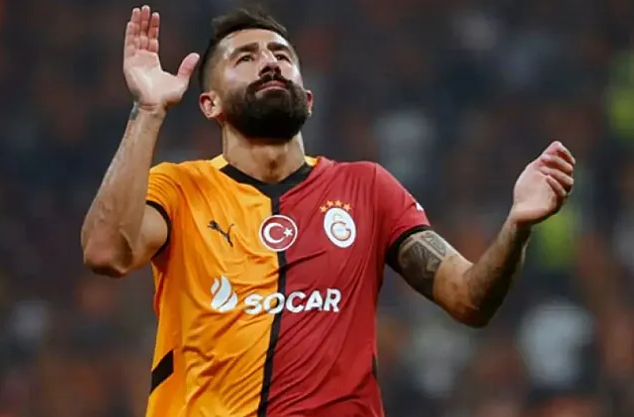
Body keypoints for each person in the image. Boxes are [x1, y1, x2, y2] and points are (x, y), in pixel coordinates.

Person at [80, 5, 576, 417]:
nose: (269, 63)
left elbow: (469, 299)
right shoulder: (180, 187)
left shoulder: (368, 189)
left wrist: (517, 226)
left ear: (309, 98)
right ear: (210, 105)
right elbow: (105, 253)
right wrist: (149, 111)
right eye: (246, 57)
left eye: (281, 55)